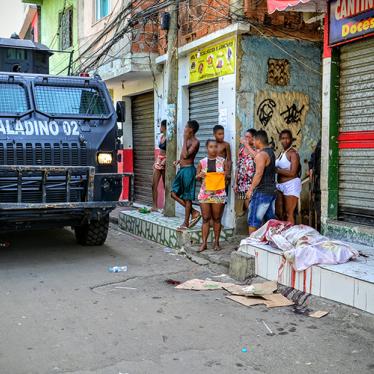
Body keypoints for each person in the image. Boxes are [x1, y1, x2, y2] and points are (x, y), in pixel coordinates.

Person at [196, 139, 227, 252]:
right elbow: (197, 178)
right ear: (207, 148)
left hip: (219, 194)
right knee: (205, 219)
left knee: (217, 219)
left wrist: (223, 176)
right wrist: (200, 175)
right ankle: (204, 243)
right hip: (205, 194)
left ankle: (216, 242)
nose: (213, 149)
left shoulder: (223, 162)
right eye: (211, 147)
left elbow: (228, 177)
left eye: (215, 147)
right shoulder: (202, 162)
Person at [171, 120, 201, 230]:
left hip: (189, 171)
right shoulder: (188, 140)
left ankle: (186, 223)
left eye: (185, 127)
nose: (184, 129)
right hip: (182, 170)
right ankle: (194, 212)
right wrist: (179, 161)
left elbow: (186, 154)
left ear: (190, 129)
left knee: (187, 198)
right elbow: (183, 156)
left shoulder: (195, 142)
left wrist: (184, 139)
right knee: (173, 194)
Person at [247, 130, 277, 234]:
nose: (253, 143)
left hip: (262, 192)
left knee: (253, 221)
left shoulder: (262, 155)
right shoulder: (270, 152)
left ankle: (250, 246)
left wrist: (250, 189)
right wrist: (247, 145)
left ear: (258, 140)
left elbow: (258, 174)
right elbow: (256, 156)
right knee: (270, 222)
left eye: (254, 140)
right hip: (271, 191)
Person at [275, 129, 302, 225]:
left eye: (287, 138)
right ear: (280, 140)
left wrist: (277, 170)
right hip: (280, 185)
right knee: (279, 213)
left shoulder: (293, 153)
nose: (285, 140)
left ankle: (291, 235)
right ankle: (284, 234)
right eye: (282, 138)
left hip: (291, 184)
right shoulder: (281, 153)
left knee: (289, 213)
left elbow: (293, 173)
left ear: (291, 140)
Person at [234, 128, 257, 213]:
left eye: (248, 137)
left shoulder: (256, 150)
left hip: (251, 183)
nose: (246, 139)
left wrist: (246, 144)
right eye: (245, 137)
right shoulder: (241, 150)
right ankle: (247, 224)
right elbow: (238, 166)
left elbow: (256, 157)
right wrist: (235, 182)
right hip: (241, 183)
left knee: (250, 204)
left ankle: (252, 224)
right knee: (243, 206)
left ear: (253, 138)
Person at [152, 120, 167, 211]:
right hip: (159, 159)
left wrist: (165, 159)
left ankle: (166, 207)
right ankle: (154, 206)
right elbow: (160, 151)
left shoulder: (170, 138)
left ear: (165, 127)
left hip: (166, 161)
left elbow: (171, 151)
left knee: (166, 185)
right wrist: (156, 161)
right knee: (154, 184)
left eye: (161, 126)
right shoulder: (161, 137)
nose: (160, 128)